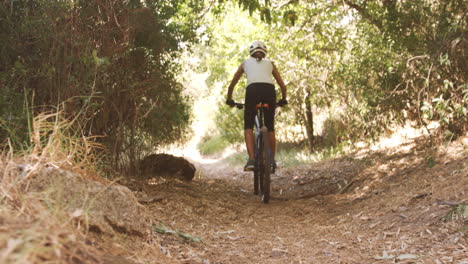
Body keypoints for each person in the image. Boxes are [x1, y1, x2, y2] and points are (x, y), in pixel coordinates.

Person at [225, 41, 288, 171]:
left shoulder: (245, 63)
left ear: (251, 52)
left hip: (252, 91)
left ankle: (252, 160)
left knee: (248, 125)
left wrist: (229, 99)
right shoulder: (270, 63)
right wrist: (283, 99)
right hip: (269, 91)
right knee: (270, 127)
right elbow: (282, 85)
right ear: (265, 52)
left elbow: (233, 83)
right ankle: (271, 161)